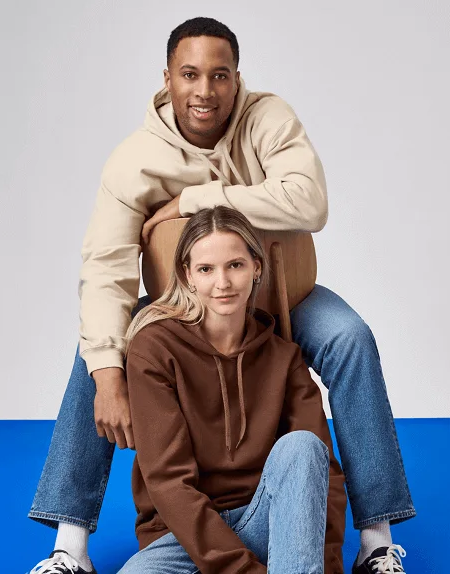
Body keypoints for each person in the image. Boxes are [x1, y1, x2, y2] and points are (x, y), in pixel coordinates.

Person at [27, 16, 413, 574]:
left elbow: (310, 202)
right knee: (99, 349)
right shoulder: (134, 160)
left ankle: (376, 542)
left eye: (219, 75)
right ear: (167, 79)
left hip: (286, 296)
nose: (204, 91)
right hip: (185, 306)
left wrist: (196, 200)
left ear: (237, 79)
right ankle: (69, 546)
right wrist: (109, 376)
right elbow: (107, 268)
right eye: (190, 75)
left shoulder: (268, 118)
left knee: (350, 336)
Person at [119, 205, 346, 573]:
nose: (222, 283)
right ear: (187, 275)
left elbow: (325, 477)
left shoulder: (283, 357)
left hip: (267, 520)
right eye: (206, 269)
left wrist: (328, 566)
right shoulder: (155, 348)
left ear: (256, 267)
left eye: (235, 265)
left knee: (303, 447)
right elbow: (168, 481)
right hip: (184, 537)